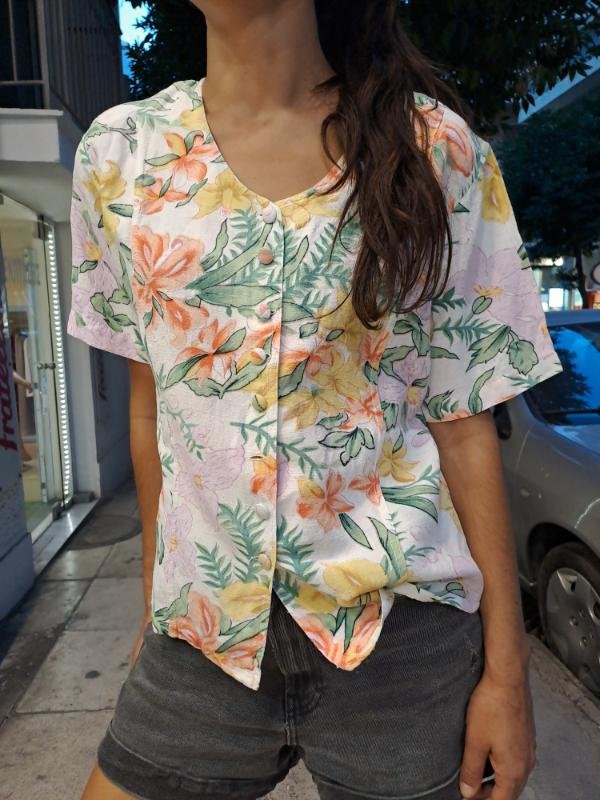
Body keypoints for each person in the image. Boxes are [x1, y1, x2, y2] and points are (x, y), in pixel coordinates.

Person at [69, 2, 564, 799]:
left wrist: (507, 674)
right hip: (203, 638)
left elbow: (466, 425)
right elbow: (151, 411)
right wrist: (155, 608)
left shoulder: (432, 149)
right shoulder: (119, 156)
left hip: (401, 642)